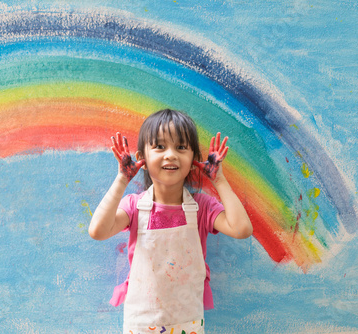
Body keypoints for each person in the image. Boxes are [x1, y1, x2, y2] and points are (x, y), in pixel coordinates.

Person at [89, 109, 252, 334]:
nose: (171, 155)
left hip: (187, 323)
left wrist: (220, 180)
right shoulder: (134, 206)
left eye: (181, 147)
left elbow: (242, 229)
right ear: (142, 160)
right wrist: (121, 180)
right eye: (159, 146)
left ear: (193, 159)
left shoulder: (202, 207)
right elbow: (98, 231)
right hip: (141, 323)